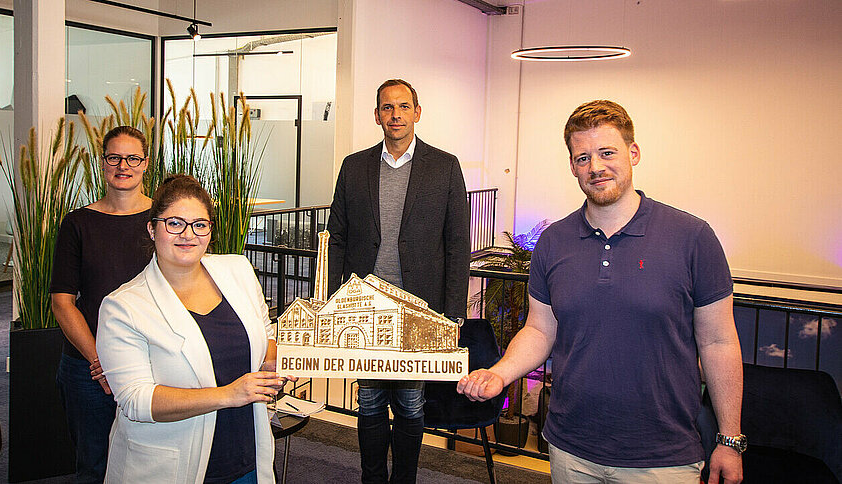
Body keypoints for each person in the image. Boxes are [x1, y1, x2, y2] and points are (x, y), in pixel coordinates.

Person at [458, 100, 745, 484]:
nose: (595, 167)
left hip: (663, 457)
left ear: (634, 152)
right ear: (572, 166)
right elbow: (541, 330)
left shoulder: (692, 237)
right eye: (582, 158)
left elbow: (719, 341)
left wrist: (730, 439)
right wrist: (499, 374)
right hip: (569, 448)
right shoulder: (554, 242)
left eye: (607, 153)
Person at [96, 175, 292, 484]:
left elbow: (266, 333)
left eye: (200, 225)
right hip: (171, 465)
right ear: (152, 228)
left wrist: (271, 363)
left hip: (245, 455)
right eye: (174, 223)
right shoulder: (123, 306)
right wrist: (227, 395)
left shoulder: (237, 270)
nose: (188, 235)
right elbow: (136, 400)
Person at [327, 79, 470, 483]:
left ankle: (404, 478)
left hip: (419, 309)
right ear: (377, 115)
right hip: (366, 307)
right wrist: (331, 300)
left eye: (403, 106)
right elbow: (337, 236)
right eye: (387, 108)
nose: (395, 115)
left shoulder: (444, 166)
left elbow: (459, 242)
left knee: (410, 403)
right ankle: (372, 479)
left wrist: (454, 311)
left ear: (417, 112)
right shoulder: (354, 166)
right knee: (369, 400)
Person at [50, 125, 152, 483]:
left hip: (152, 362)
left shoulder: (165, 222)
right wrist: (100, 360)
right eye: (114, 157)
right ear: (103, 162)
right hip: (88, 369)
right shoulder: (78, 224)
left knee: (150, 464)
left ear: (145, 163)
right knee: (94, 465)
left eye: (132, 158)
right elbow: (62, 302)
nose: (123, 165)